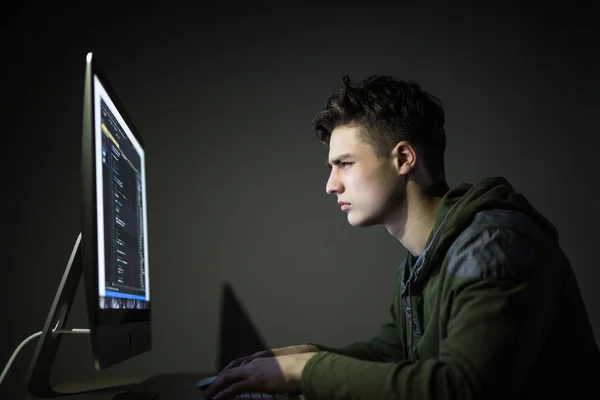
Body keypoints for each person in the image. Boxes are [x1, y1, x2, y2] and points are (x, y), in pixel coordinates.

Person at [203, 76, 600, 400]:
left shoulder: (495, 245)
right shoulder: (420, 261)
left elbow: (462, 388)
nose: (330, 185)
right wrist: (306, 356)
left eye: (344, 164)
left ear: (404, 159)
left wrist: (305, 373)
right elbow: (391, 354)